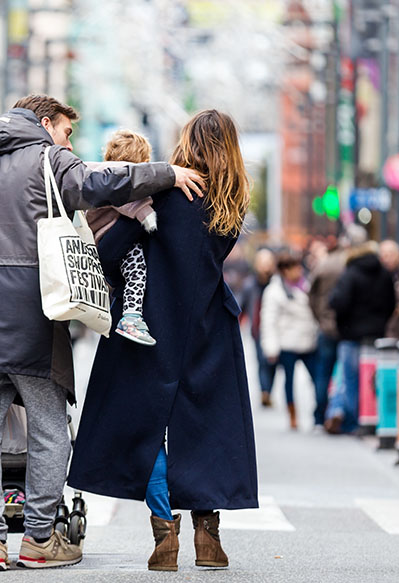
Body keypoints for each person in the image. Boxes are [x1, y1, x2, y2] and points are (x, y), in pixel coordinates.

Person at [0, 95, 204, 572]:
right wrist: (166, 173)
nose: (70, 141)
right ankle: (39, 538)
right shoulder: (49, 158)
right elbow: (98, 182)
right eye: (67, 131)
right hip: (34, 322)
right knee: (50, 432)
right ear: (46, 124)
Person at [68, 109, 257, 573]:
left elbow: (111, 251)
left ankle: (164, 533)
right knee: (205, 427)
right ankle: (208, 537)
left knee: (144, 426)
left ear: (186, 145)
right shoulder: (231, 202)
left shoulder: (166, 192)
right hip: (208, 323)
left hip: (148, 323)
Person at [86, 130, 160, 346]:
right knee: (137, 272)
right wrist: (148, 216)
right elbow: (128, 202)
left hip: (99, 237)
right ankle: (131, 318)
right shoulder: (117, 179)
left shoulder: (101, 175)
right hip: (107, 234)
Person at [324, 233, 396, 435]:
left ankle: (353, 421)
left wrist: (343, 321)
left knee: (351, 380)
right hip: (376, 336)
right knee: (373, 380)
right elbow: (391, 304)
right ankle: (372, 419)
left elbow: (339, 302)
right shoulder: (384, 273)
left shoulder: (351, 273)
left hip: (351, 335)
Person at [259, 253, 319, 430]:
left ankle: (320, 412)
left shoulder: (306, 285)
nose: (299, 271)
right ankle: (292, 414)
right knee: (289, 380)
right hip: (287, 342)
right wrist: (270, 348)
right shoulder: (274, 291)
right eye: (295, 268)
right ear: (285, 270)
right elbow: (268, 321)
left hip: (308, 340)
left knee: (318, 378)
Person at [307, 237, 346, 426]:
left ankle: (319, 415)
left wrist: (319, 317)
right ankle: (341, 414)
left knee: (323, 373)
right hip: (346, 327)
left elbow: (311, 295)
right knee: (347, 374)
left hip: (326, 326)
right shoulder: (348, 263)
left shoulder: (322, 265)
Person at [239, 249, 275, 407]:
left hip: (274, 329)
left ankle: (268, 390)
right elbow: (241, 306)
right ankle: (265, 392)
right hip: (258, 329)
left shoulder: (276, 282)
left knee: (272, 362)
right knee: (261, 360)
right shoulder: (249, 284)